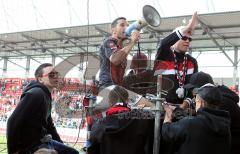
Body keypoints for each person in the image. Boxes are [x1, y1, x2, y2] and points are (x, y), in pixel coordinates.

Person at [7, 63, 79, 154]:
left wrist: (61, 143)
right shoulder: (36, 94)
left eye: (57, 74)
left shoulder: (46, 95)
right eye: (51, 75)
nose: (56, 77)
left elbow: (49, 125)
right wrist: (13, 151)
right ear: (40, 79)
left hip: (42, 141)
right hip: (32, 146)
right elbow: (12, 122)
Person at [162, 83, 231, 154]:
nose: (195, 105)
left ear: (201, 103)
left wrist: (168, 114)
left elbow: (166, 132)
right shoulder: (225, 125)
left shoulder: (190, 124)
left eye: (195, 102)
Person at [183, 71, 240, 154]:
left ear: (205, 89)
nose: (193, 94)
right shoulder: (217, 96)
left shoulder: (221, 101)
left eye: (194, 90)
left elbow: (206, 125)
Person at [88, 85, 154, 154]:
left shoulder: (98, 126)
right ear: (127, 101)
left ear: (109, 103)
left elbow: (91, 150)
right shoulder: (142, 120)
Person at [154, 12, 198, 104]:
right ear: (173, 41)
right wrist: (185, 29)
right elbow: (163, 45)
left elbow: (193, 87)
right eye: (184, 37)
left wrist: (185, 105)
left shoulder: (192, 61)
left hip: (184, 108)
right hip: (163, 109)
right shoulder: (164, 56)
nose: (187, 41)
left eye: (189, 39)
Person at [99, 17, 140, 89]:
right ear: (113, 30)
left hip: (117, 86)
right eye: (122, 25)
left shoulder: (120, 46)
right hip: (108, 86)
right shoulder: (109, 41)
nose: (126, 27)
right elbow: (115, 60)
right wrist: (132, 42)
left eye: (127, 25)